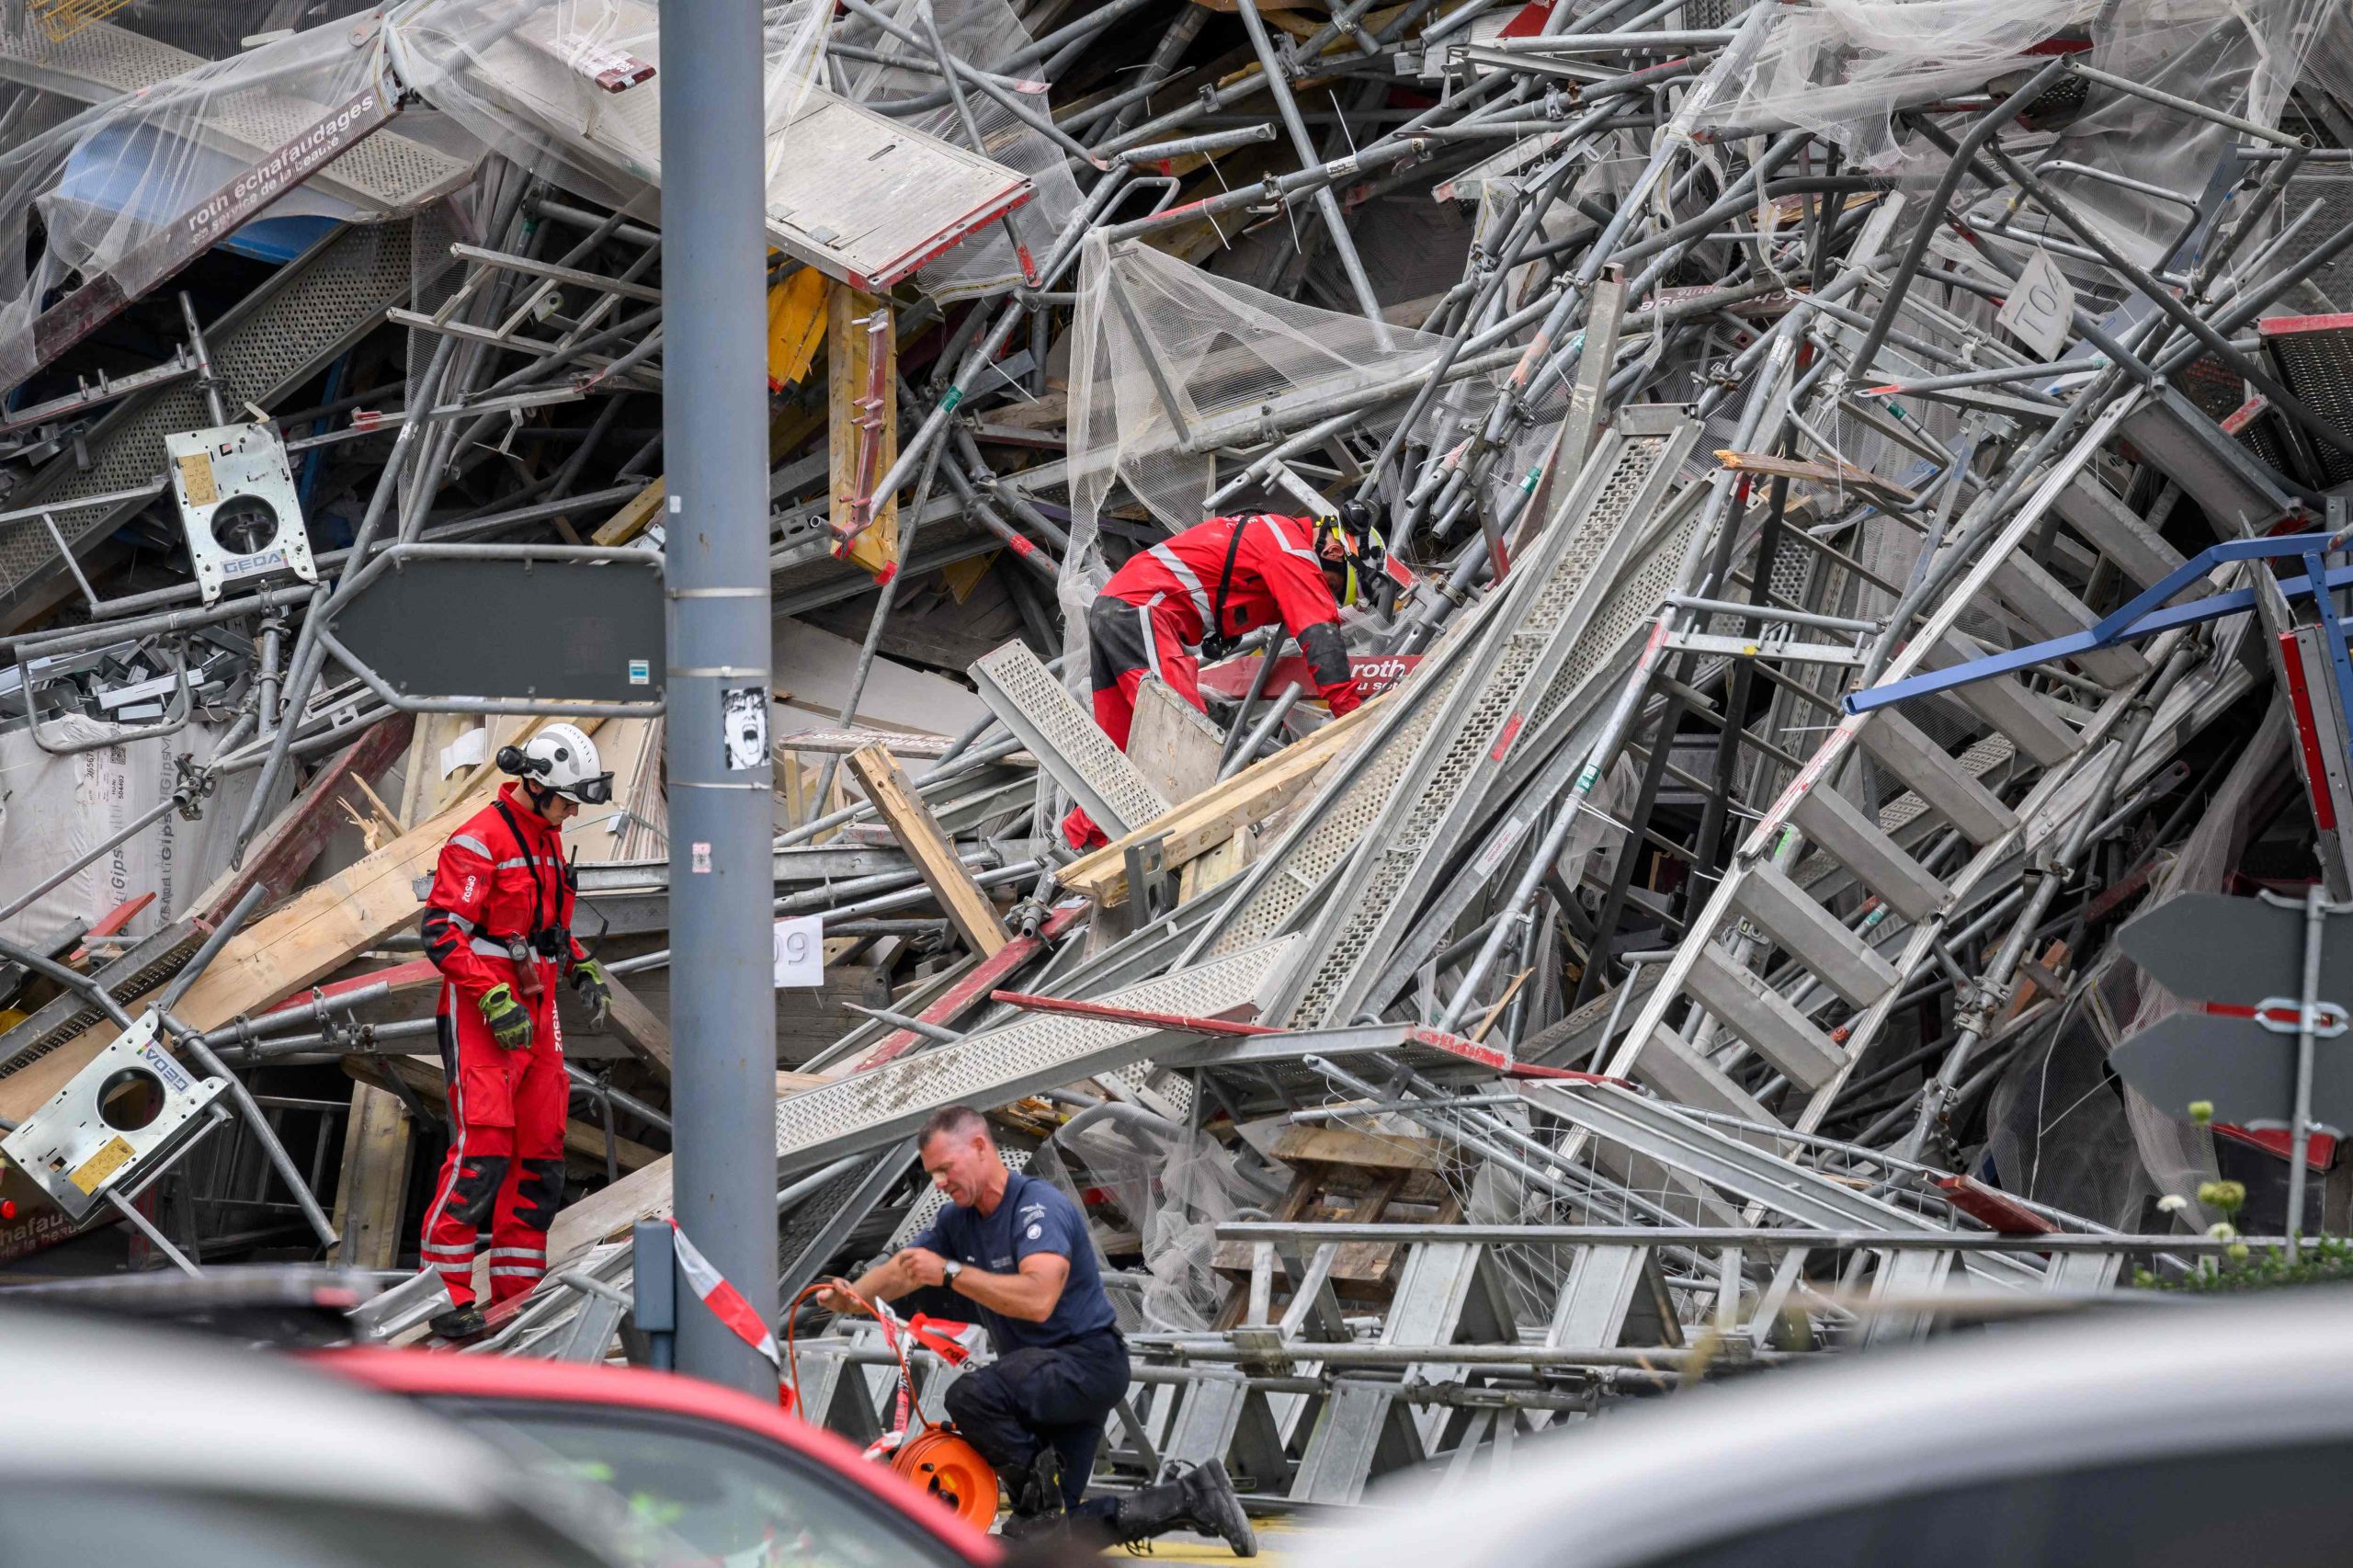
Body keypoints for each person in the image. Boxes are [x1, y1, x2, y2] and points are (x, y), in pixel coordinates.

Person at [821, 1106, 1256, 1555]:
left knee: (969, 1396)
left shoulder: (1038, 1208)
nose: (939, 1183)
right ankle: (1193, 1497)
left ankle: (1044, 1501)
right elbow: (904, 1271)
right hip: (1037, 1382)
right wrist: (849, 1296)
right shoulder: (956, 1221)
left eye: (945, 1169)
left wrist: (950, 1272)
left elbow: (1037, 1299)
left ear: (979, 1147)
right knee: (1042, 1543)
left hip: (1085, 1365)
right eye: (931, 1173)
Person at [416, 722, 616, 1341]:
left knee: (541, 1152)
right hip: (486, 1008)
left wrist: (579, 961)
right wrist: (493, 997)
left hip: (536, 1004)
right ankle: (443, 1295)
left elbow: (543, 923)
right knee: (482, 1153)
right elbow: (442, 932)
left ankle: (518, 1297)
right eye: (567, 799)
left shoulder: (546, 836)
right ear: (534, 784)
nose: (574, 810)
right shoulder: (479, 842)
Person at [1060, 499, 1388, 850]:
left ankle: (1073, 845)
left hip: (1119, 615)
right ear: (1335, 551)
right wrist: (1353, 720)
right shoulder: (1291, 547)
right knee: (1187, 740)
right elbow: (1318, 629)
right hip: (1141, 615)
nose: (1323, 590)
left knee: (1131, 760)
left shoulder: (1270, 536)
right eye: (1332, 584)